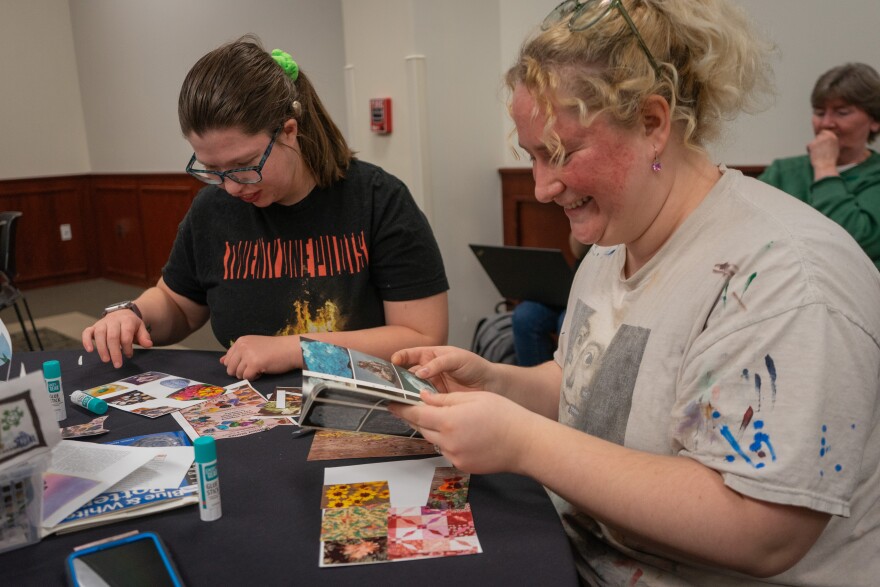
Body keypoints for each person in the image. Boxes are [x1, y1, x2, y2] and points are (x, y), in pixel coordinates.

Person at [389, 1, 880, 585]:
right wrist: (498, 382)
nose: (542, 187)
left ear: (653, 123)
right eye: (531, 156)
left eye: (562, 153)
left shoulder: (784, 277)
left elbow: (762, 530)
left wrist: (522, 443)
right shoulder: (614, 242)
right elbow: (587, 383)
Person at [82, 35, 449, 380]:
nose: (230, 186)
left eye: (245, 166)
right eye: (212, 170)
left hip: (361, 409)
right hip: (252, 415)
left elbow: (422, 336)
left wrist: (295, 350)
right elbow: (176, 304)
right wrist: (134, 314)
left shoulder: (378, 200)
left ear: (290, 131)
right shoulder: (212, 209)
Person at [759, 62, 880, 270]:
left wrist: (825, 167)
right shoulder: (783, 172)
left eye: (842, 112)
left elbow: (853, 244)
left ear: (875, 121)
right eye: (819, 112)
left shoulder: (875, 175)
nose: (826, 123)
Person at [512, 232, 589, 366]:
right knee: (524, 316)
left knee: (566, 322)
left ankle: (567, 382)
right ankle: (534, 383)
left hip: (597, 291)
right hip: (572, 284)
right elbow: (577, 250)